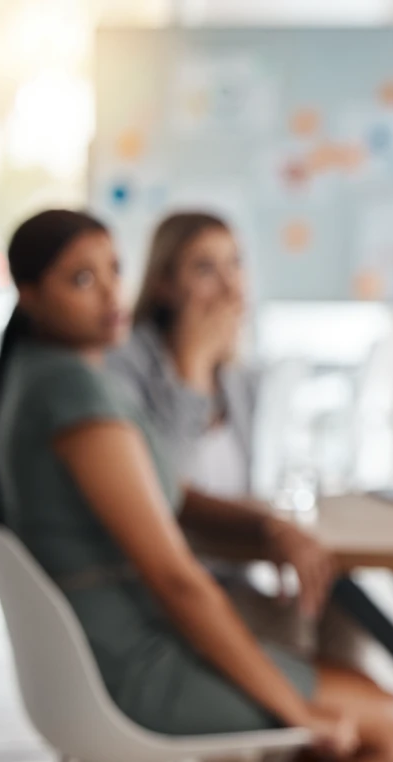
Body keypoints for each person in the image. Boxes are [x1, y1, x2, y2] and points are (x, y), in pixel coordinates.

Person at [0, 210, 393, 760]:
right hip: (131, 662)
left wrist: (265, 525)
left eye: (114, 270)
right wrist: (296, 711)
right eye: (82, 280)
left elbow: (169, 498)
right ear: (30, 295)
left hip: (112, 645)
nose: (111, 293)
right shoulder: (75, 398)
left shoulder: (45, 376)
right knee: (387, 720)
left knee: (343, 668)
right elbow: (176, 579)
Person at [107, 211, 364, 670]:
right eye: (205, 269)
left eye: (236, 265)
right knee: (286, 627)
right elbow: (160, 491)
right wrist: (189, 370)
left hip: (231, 568)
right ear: (164, 284)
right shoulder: (125, 366)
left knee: (345, 605)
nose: (230, 287)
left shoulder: (239, 376)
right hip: (163, 584)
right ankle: (314, 723)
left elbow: (257, 481)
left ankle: (332, 734)